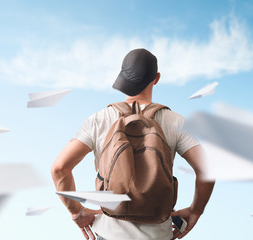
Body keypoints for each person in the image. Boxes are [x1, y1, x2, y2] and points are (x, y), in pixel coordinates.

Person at [51, 48, 215, 240]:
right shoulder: (175, 121)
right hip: (159, 234)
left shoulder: (99, 119)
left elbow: (59, 169)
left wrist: (76, 211)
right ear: (157, 78)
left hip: (108, 233)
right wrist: (196, 210)